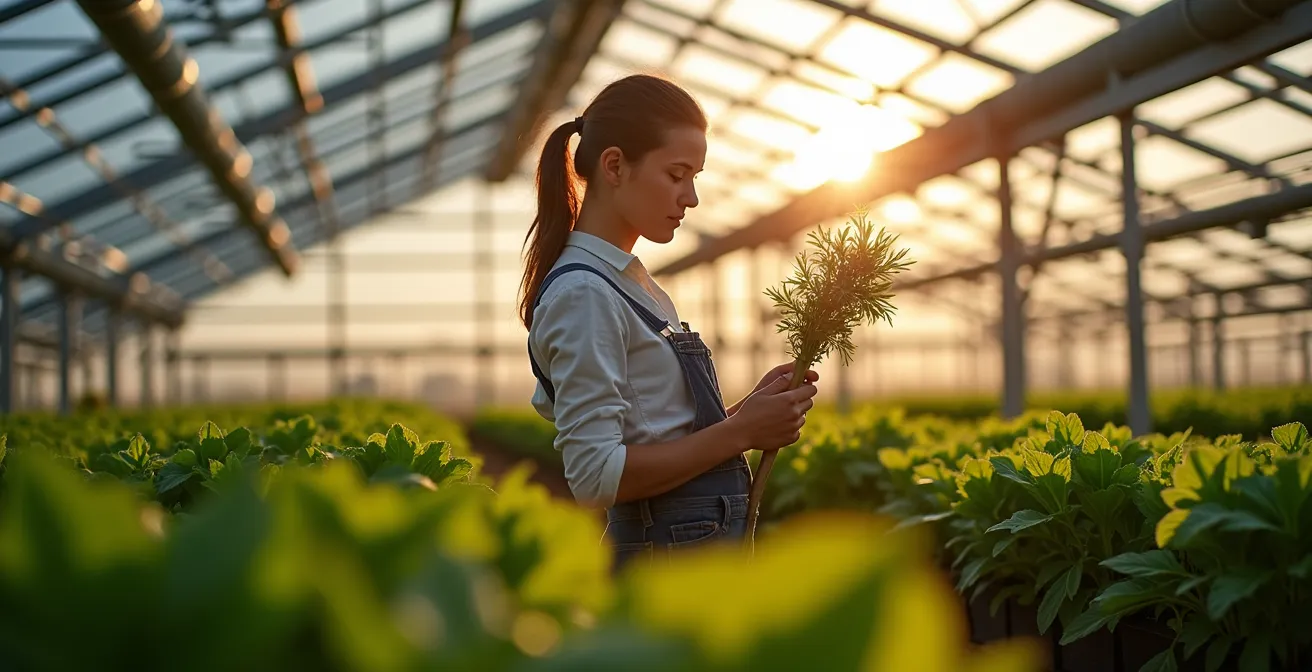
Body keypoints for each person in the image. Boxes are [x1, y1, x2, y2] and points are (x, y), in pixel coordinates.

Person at [519, 74, 819, 574]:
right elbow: (597, 477)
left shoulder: (625, 281)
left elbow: (655, 431)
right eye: (677, 174)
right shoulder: (585, 294)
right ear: (615, 166)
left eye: (694, 177)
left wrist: (748, 412)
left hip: (689, 550)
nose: (692, 197)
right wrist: (740, 432)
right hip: (663, 561)